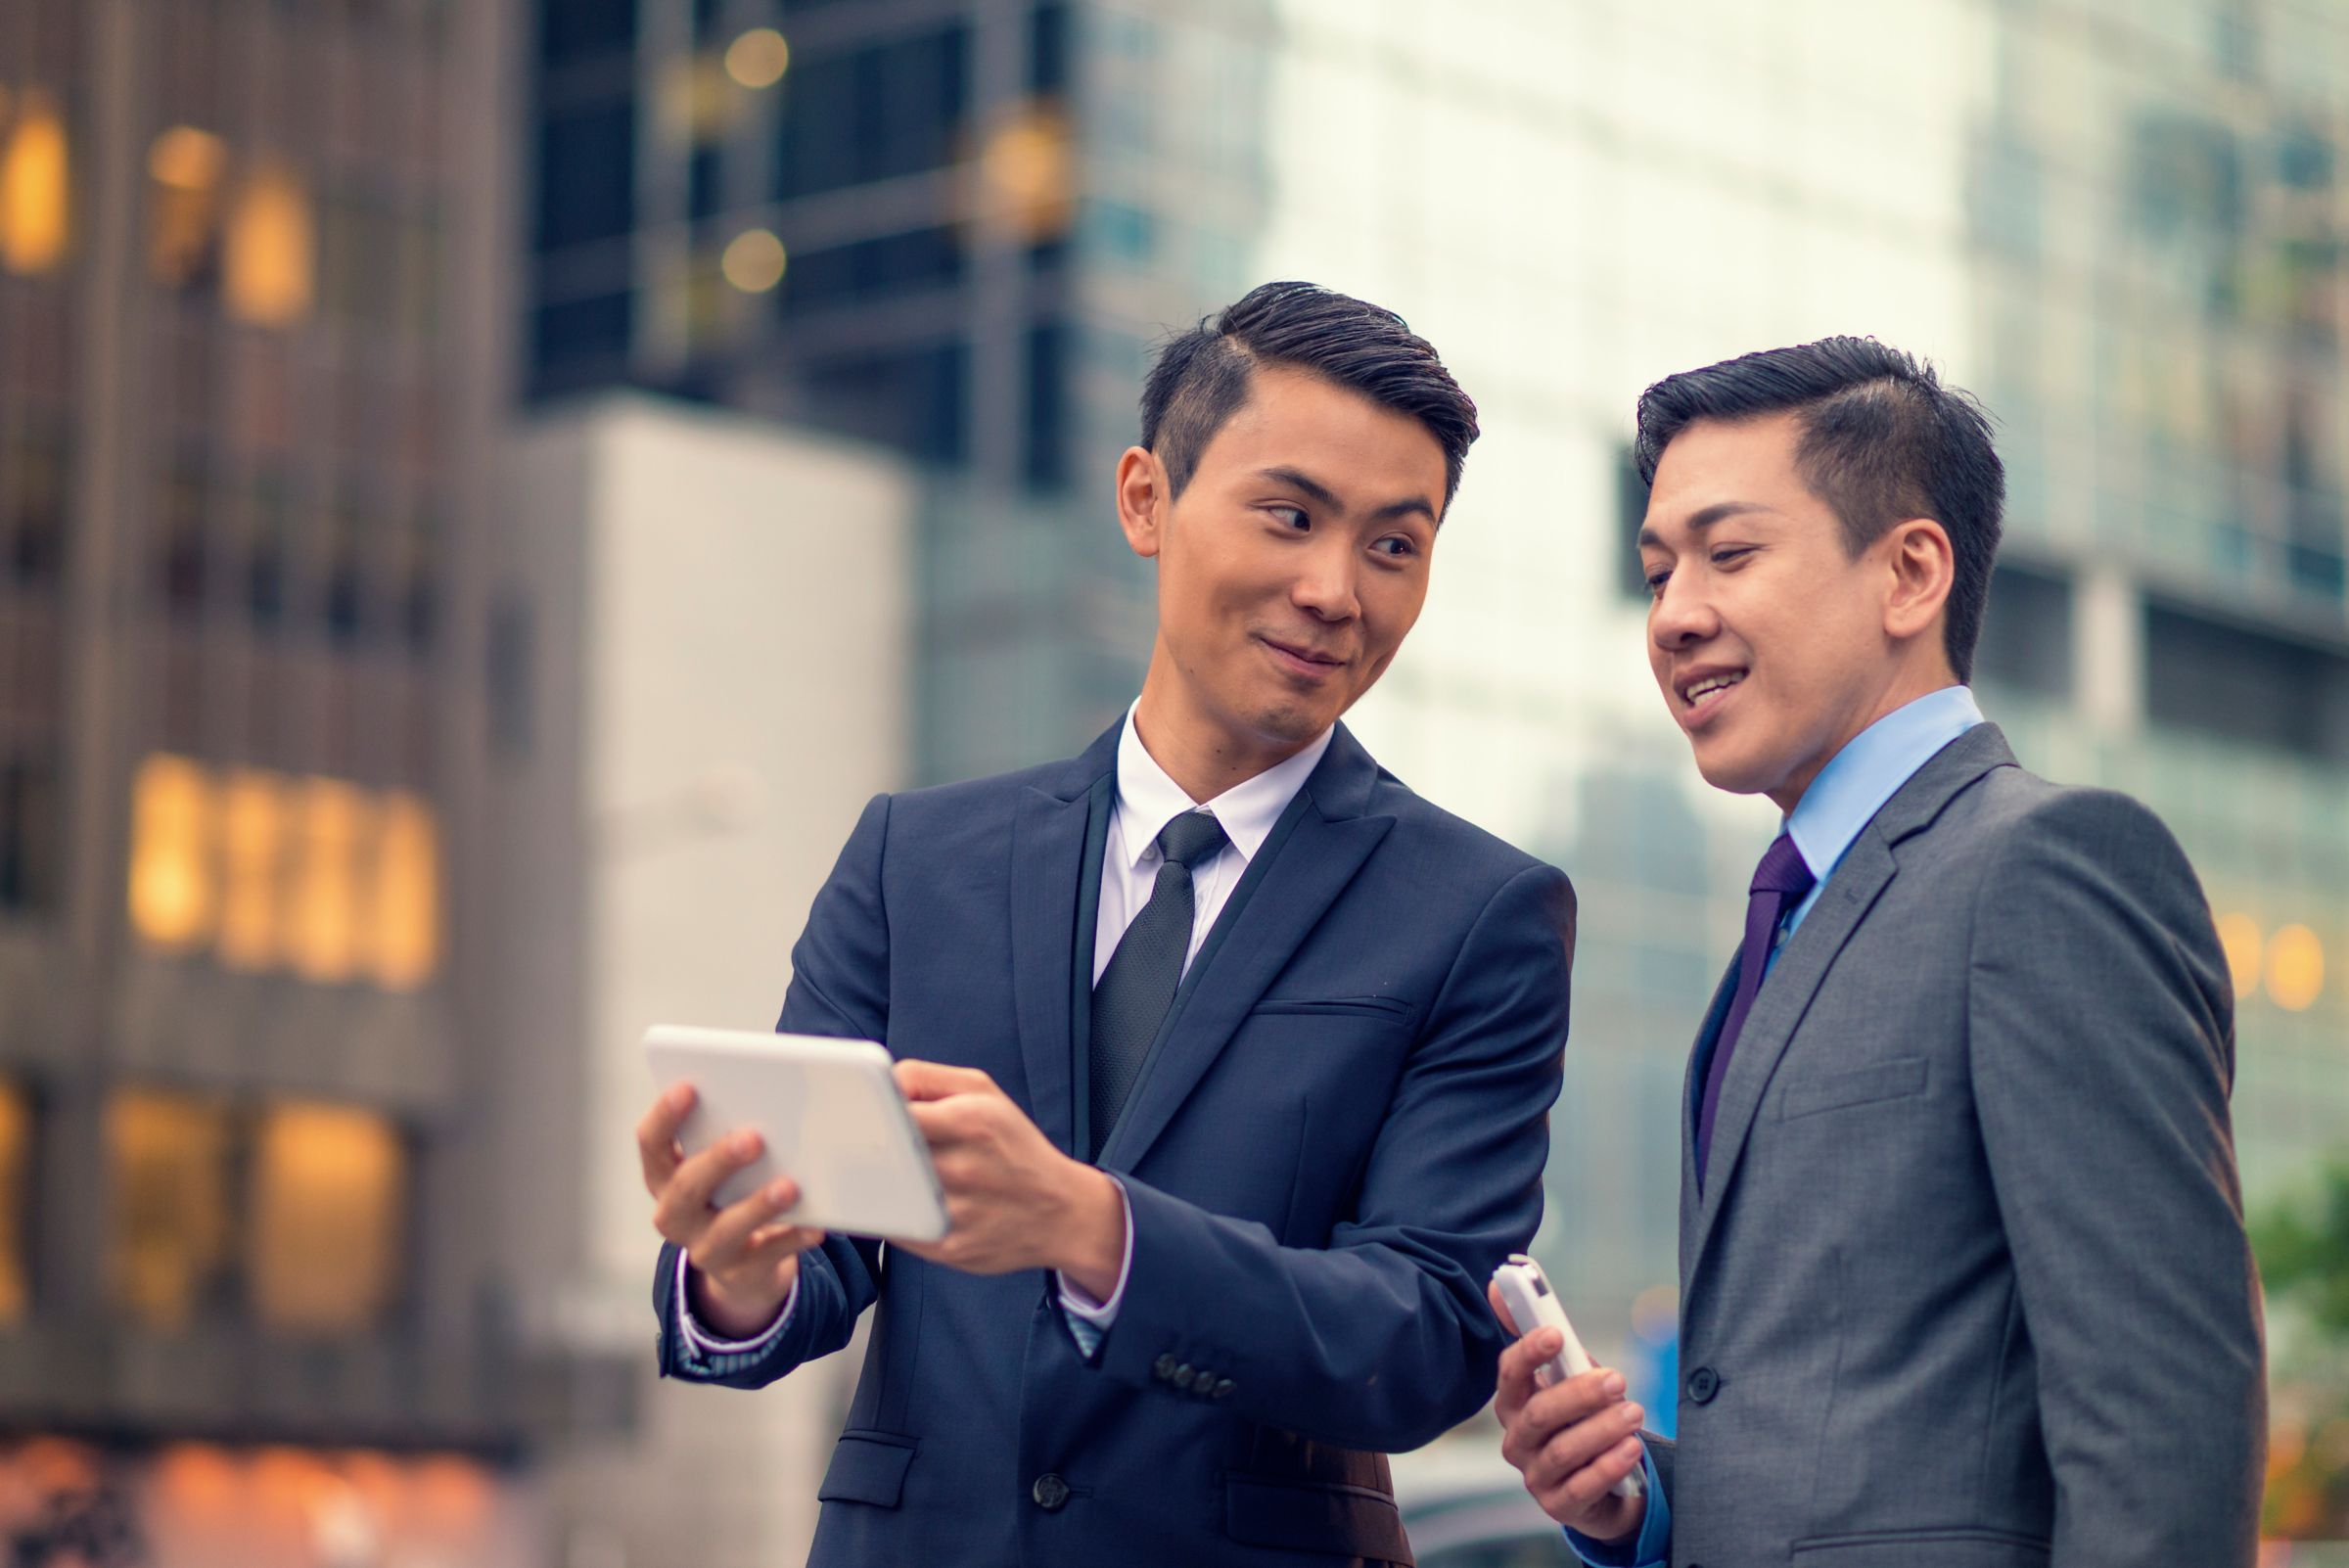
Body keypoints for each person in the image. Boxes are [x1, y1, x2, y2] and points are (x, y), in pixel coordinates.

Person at [636, 281, 1576, 1568]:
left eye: (1391, 545)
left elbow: (1425, 1334)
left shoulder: (1478, 914)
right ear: (1146, 499)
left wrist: (1097, 1230)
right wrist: (745, 1277)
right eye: (1290, 515)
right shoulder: (917, 861)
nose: (1333, 589)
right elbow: (829, 1248)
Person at [1493, 338, 2266, 1568]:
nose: (1676, 615)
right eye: (1656, 572)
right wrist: (1637, 1501)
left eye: (1729, 553)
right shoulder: (1787, 921)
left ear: (1910, 574)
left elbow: (2161, 1420)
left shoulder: (2049, 865)